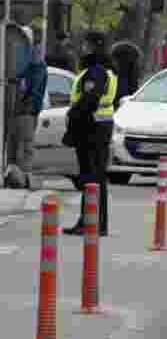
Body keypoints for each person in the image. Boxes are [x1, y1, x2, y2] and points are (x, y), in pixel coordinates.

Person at [64, 32, 117, 236]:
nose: (83, 48)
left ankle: (91, 222)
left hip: (91, 130)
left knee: (91, 178)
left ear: (95, 46)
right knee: (95, 178)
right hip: (98, 128)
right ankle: (93, 222)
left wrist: (72, 115)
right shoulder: (104, 69)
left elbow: (89, 100)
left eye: (86, 44)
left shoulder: (96, 71)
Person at [10, 43, 47, 189]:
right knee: (22, 143)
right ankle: (22, 175)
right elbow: (20, 78)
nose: (35, 54)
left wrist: (25, 99)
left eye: (38, 52)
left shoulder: (38, 69)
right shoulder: (32, 67)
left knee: (25, 144)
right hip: (26, 111)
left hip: (28, 111)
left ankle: (24, 176)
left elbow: (33, 90)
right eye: (34, 51)